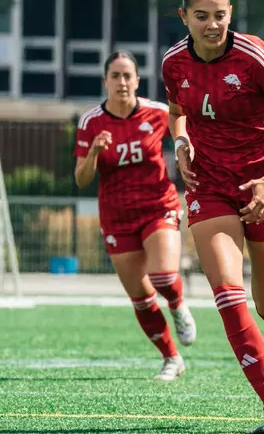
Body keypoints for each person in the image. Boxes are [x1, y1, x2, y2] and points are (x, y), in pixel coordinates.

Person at [162, 0, 264, 434]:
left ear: (232, 13)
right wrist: (182, 140)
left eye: (221, 15)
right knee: (228, 293)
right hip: (210, 185)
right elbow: (177, 112)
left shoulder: (254, 57)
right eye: (202, 16)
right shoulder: (173, 62)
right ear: (184, 17)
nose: (213, 25)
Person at [74, 50, 197, 382]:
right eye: (115, 76)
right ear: (105, 82)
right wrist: (95, 153)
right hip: (116, 216)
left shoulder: (157, 113)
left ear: (137, 81)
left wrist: (188, 151)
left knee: (162, 277)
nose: (122, 82)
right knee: (141, 298)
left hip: (158, 205)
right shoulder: (91, 122)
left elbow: (184, 128)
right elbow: (81, 178)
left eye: (128, 75)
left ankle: (178, 303)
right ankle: (172, 359)